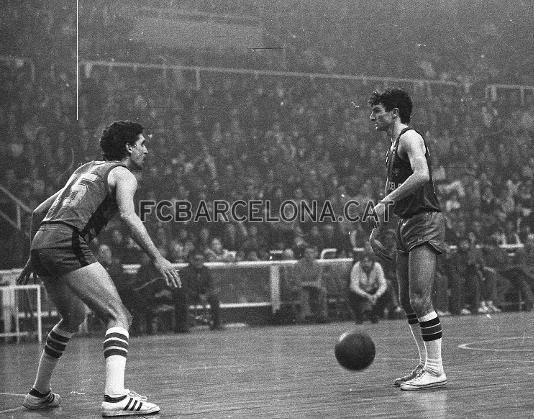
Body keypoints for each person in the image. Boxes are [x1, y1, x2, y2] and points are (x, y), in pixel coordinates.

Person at [16, 121, 181, 416]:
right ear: (129, 148)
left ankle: (38, 393)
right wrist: (158, 257)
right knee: (118, 315)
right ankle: (116, 397)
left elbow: (38, 213)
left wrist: (34, 254)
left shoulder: (84, 170)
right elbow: (130, 219)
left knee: (73, 317)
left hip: (43, 242)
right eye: (142, 143)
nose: (146, 149)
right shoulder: (124, 174)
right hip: (67, 240)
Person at [368, 88, 447, 390]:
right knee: (406, 301)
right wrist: (377, 230)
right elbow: (391, 192)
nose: (372, 116)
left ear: (394, 113)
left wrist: (386, 202)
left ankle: (437, 369)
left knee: (419, 298)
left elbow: (422, 175)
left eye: (377, 110)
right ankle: (425, 365)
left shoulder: (410, 138)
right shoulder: (390, 147)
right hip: (405, 223)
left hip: (424, 220)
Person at [175, 252, 223, 331]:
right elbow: (184, 288)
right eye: (197, 260)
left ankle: (217, 324)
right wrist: (197, 295)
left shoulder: (206, 270)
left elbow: (211, 285)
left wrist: (206, 294)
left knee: (214, 298)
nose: (199, 262)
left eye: (202, 260)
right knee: (183, 298)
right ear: (192, 260)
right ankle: (183, 326)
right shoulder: (184, 271)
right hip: (189, 295)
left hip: (203, 295)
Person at [289, 246, 328, 322]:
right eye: (307, 253)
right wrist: (310, 284)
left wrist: (310, 284)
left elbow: (318, 281)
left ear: (314, 254)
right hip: (299, 287)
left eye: (311, 253)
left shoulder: (318, 265)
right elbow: (298, 282)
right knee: (304, 291)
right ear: (304, 254)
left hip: (313, 287)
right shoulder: (298, 265)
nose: (309, 255)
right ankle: (306, 316)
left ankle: (322, 315)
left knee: (323, 290)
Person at [347, 252, 388, 323]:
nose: (366, 264)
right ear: (361, 262)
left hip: (373, 290)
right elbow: (354, 286)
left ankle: (374, 314)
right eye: (364, 261)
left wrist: (377, 295)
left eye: (368, 261)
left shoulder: (377, 266)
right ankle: (359, 316)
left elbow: (383, 284)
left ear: (372, 262)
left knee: (386, 293)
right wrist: (366, 295)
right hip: (360, 291)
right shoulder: (356, 267)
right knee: (351, 294)